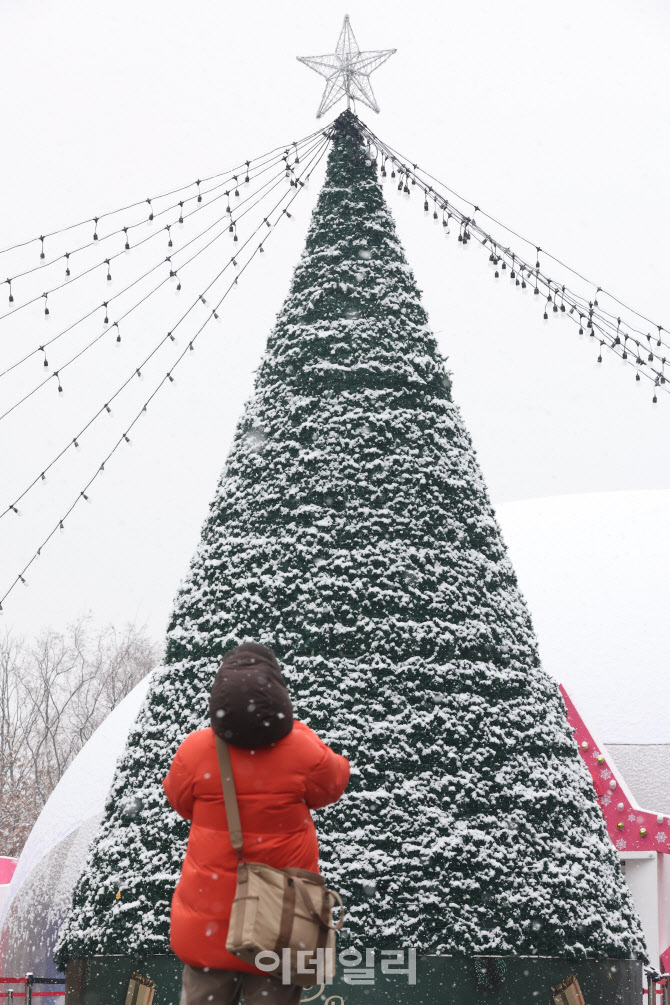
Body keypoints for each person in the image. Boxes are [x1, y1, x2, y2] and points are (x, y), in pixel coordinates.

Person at [162, 642, 350, 1005]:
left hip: (207, 928)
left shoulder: (195, 750)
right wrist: (301, 734)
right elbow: (334, 783)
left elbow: (180, 803)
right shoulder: (301, 748)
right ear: (277, 693)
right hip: (279, 922)